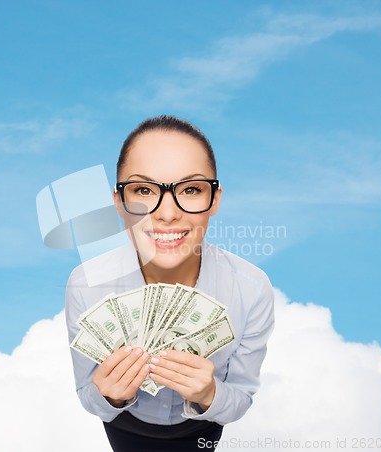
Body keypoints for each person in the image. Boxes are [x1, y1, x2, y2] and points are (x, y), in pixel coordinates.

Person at [65, 115, 274, 452]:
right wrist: (108, 396)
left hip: (201, 428)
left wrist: (209, 395)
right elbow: (88, 397)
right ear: (119, 202)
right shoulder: (86, 285)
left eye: (190, 189)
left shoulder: (251, 289)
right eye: (144, 190)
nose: (166, 213)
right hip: (125, 426)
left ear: (214, 199)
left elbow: (240, 398)